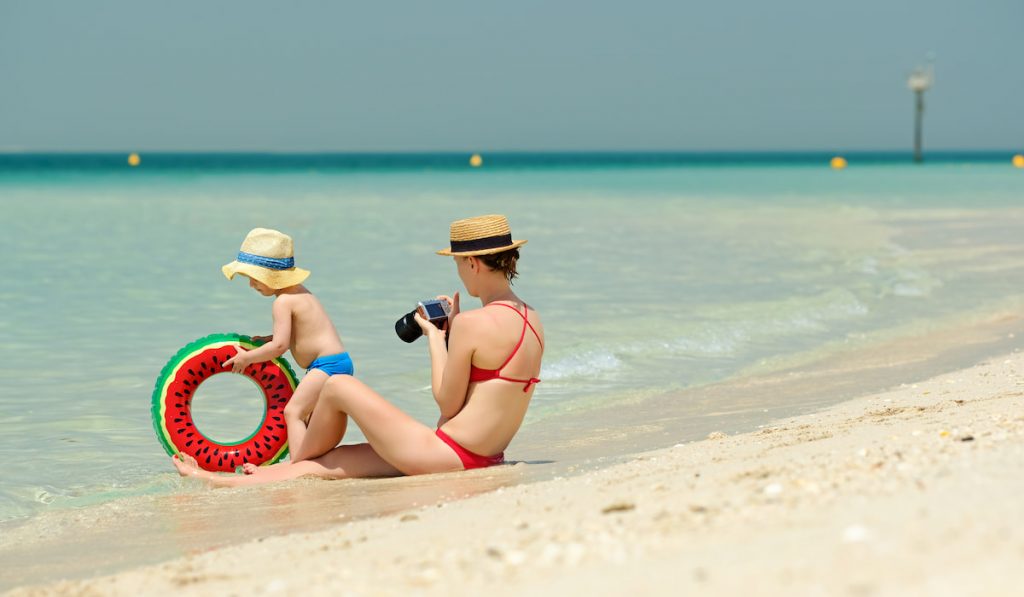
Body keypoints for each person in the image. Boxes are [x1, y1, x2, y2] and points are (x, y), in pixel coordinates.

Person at [172, 214, 543, 486]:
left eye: (459, 264)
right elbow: (478, 400)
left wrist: (434, 335)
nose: (460, 273)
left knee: (337, 387)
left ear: (473, 263)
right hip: (483, 457)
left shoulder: (472, 324)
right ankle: (252, 477)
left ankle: (218, 473)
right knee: (329, 463)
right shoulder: (532, 320)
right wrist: (454, 334)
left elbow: (448, 404)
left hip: (445, 454)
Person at [219, 227, 353, 462]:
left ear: (270, 275)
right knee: (311, 422)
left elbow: (280, 347)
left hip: (326, 366)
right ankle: (314, 461)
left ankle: (296, 468)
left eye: (253, 278)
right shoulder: (300, 293)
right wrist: (268, 339)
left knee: (293, 412)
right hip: (336, 362)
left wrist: (246, 358)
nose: (251, 285)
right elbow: (299, 334)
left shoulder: (282, 303)